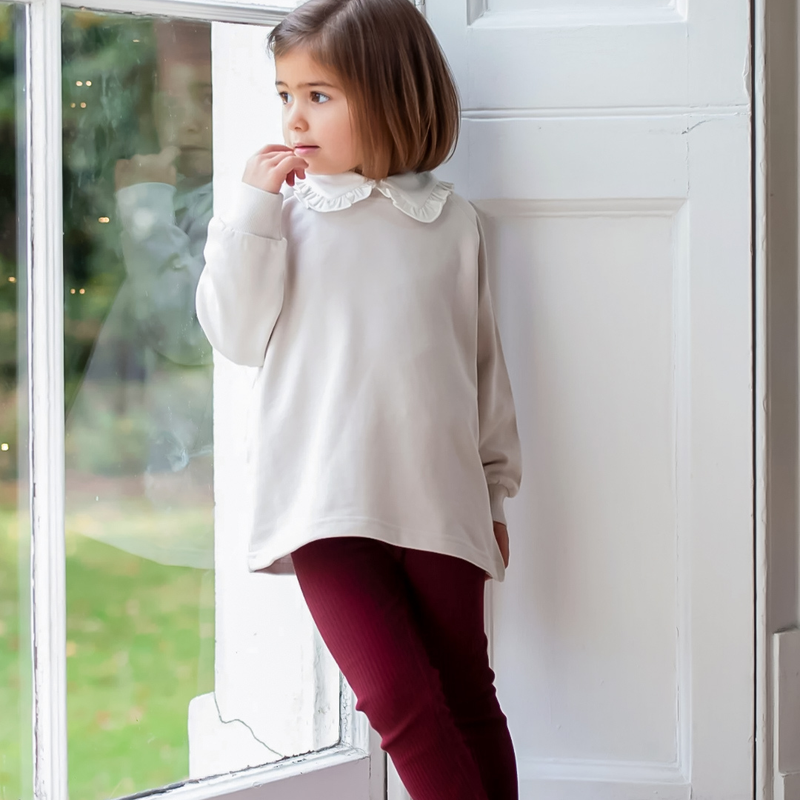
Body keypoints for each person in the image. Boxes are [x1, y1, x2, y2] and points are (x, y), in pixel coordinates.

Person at [195, 0, 522, 797]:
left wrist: (495, 493)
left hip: (440, 501)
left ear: (392, 95)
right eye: (284, 94)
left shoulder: (453, 225)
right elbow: (234, 334)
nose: (294, 116)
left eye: (319, 94)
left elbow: (482, 369)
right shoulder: (282, 217)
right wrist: (251, 208)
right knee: (400, 702)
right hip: (322, 504)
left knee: (468, 696)